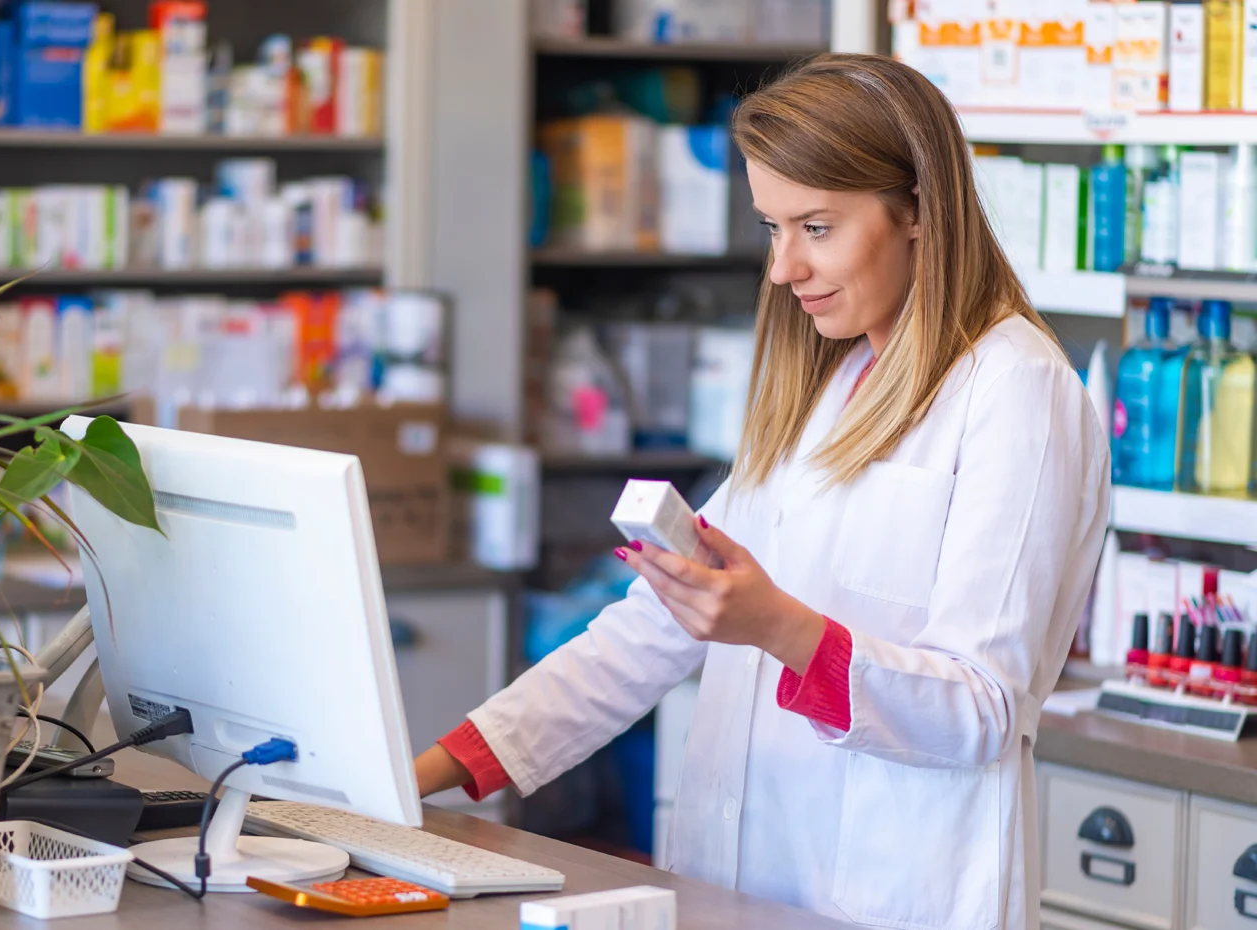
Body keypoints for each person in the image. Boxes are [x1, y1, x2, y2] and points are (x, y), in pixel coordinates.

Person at [414, 53, 1110, 930]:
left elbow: (981, 707)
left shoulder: (1017, 391)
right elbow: (649, 631)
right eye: (773, 228)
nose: (783, 269)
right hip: (740, 885)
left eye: (815, 227)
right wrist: (429, 773)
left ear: (921, 211)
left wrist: (775, 626)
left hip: (896, 896)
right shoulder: (832, 379)